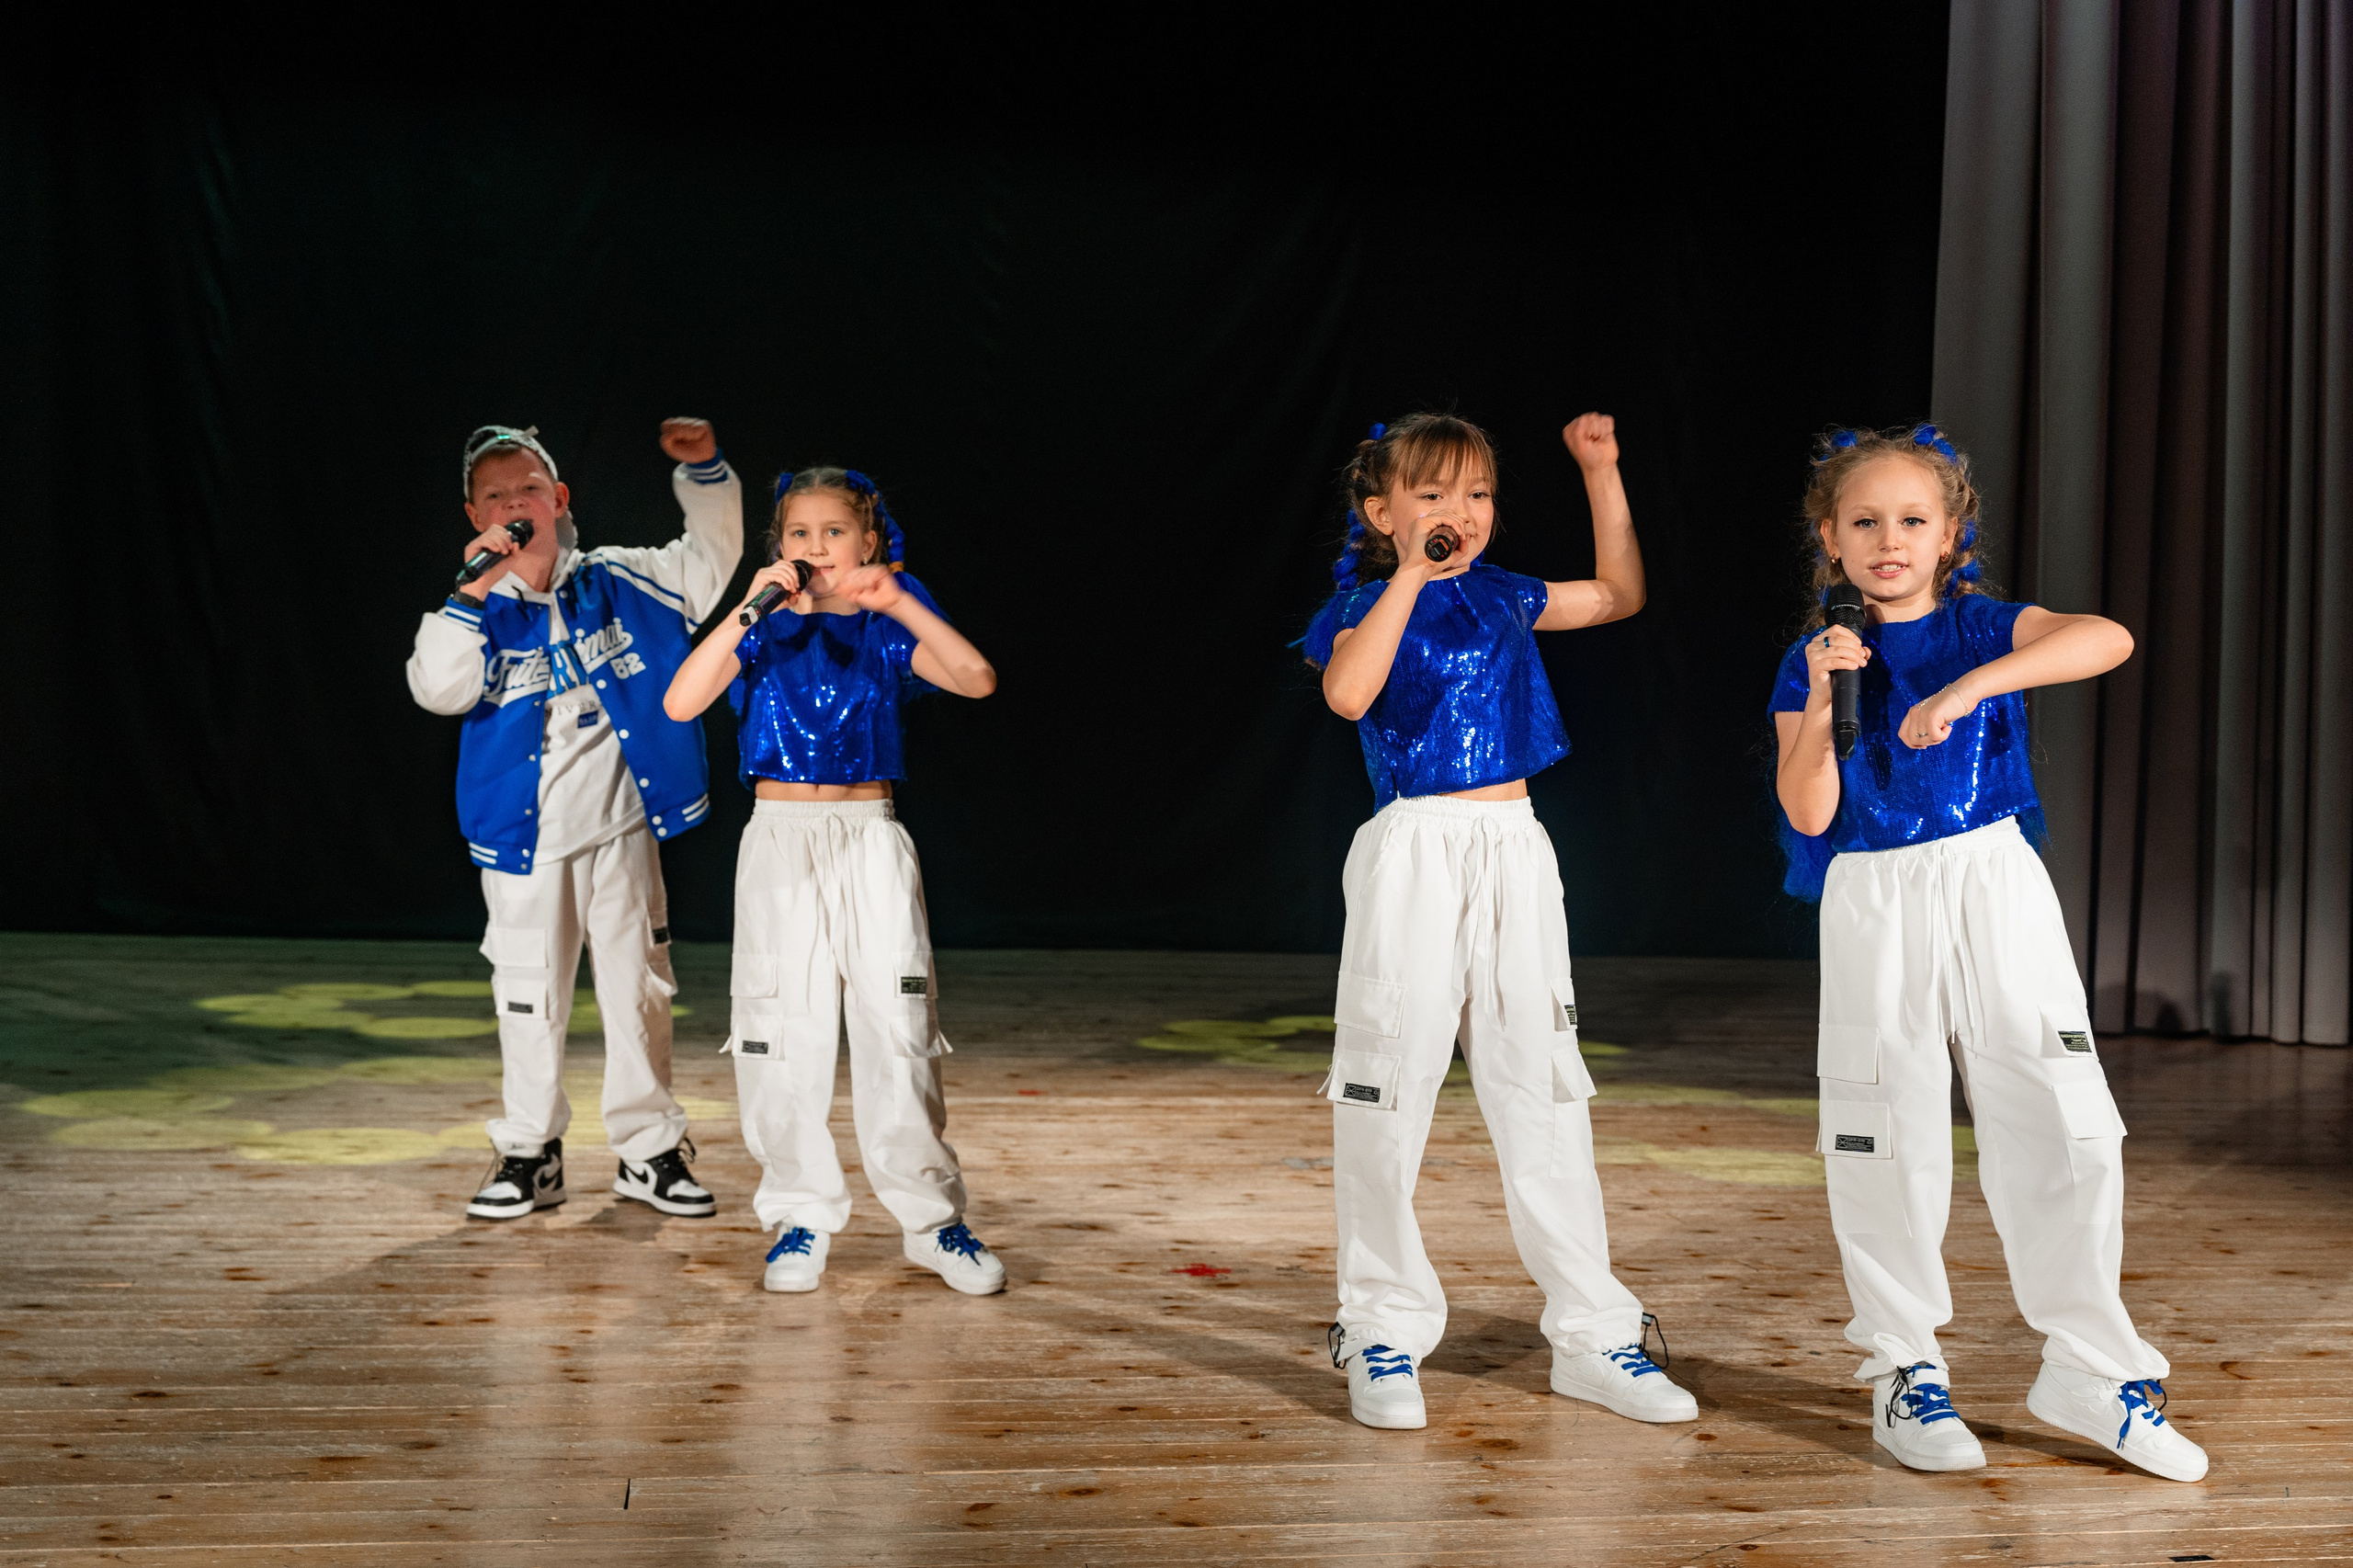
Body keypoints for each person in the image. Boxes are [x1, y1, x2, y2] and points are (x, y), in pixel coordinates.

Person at [1770, 423, 2205, 1482]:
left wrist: (1971, 688)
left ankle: (2093, 1370)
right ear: (1829, 537)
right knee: (1886, 1130)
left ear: (1949, 531)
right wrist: (1829, 695)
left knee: (2061, 1116)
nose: (1887, 539)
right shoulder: (1813, 657)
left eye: (1911, 519)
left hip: (1991, 877)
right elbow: (1808, 806)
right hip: (1875, 892)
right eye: (1863, 521)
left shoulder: (1979, 626)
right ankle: (1903, 1367)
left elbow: (2105, 637)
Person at [1302, 412, 1696, 1432]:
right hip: (1414, 850)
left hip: (1516, 844)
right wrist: (1407, 575)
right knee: (1385, 1090)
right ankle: (1381, 1322)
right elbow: (1349, 692)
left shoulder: (1508, 597)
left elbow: (1617, 594)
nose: (1459, 514)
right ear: (1380, 511)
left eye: (1475, 494)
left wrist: (1601, 471)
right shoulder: (1358, 605)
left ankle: (1592, 1332)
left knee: (1544, 1087)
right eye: (1432, 494)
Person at [662, 466, 1004, 1295]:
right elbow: (680, 703)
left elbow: (976, 677)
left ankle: (931, 1222)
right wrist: (748, 608)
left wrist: (899, 602)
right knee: (781, 1031)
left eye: (834, 532)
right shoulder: (761, 625)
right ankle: (800, 1215)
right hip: (780, 839)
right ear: (779, 547)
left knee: (899, 1025)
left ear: (869, 541)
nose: (816, 548)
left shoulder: (887, 623)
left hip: (868, 838)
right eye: (799, 534)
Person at [406, 420, 741, 1221]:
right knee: (528, 995)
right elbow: (437, 690)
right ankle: (529, 1153)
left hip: (621, 828)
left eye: (526, 488)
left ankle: (649, 1152)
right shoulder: (474, 608)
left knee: (639, 992)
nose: (513, 503)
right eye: (495, 495)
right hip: (522, 842)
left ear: (557, 499)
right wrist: (471, 589)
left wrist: (704, 472)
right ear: (473, 514)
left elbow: (712, 558)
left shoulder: (625, 579)